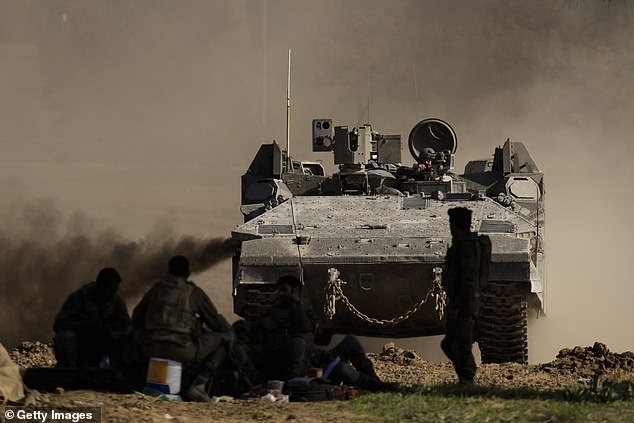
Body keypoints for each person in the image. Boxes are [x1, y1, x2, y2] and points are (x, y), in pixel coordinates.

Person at [131, 255, 233, 402]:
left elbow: (136, 318)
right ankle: (199, 385)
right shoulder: (193, 292)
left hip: (150, 347)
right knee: (226, 338)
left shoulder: (156, 290)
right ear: (187, 273)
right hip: (181, 349)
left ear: (169, 270)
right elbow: (216, 323)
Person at [440, 207, 491, 385]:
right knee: (449, 344)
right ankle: (466, 376)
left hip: (465, 303)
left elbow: (468, 279)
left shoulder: (466, 247)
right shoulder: (465, 244)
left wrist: (458, 305)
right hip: (465, 301)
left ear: (454, 225)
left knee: (460, 344)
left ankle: (467, 380)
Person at [53, 267, 129, 368]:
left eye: (115, 290)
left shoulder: (118, 303)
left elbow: (127, 328)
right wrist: (84, 326)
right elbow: (59, 324)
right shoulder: (79, 298)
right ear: (100, 286)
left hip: (105, 346)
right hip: (81, 344)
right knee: (67, 337)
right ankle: (69, 370)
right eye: (110, 289)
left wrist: (111, 334)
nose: (113, 294)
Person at [248, 275, 316, 381]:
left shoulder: (305, 310)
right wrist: (262, 323)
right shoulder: (275, 309)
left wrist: (296, 304)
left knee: (297, 344)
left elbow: (305, 328)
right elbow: (255, 324)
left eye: (284, 290)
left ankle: (294, 385)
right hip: (274, 351)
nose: (280, 294)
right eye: (279, 291)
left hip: (294, 353)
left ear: (295, 290)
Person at [309, 334, 400, 392]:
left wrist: (324, 356)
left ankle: (375, 381)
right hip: (315, 372)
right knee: (343, 369)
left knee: (350, 341)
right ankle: (375, 386)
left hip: (318, 359)